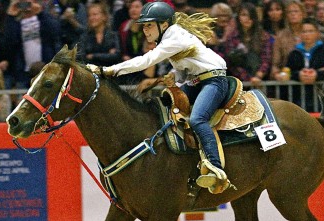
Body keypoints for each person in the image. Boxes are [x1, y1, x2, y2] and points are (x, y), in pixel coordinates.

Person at [87, 2, 233, 193]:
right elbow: (187, 64)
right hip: (196, 81)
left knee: (198, 119)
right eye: (144, 25)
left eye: (149, 25)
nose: (145, 29)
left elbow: (146, 61)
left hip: (214, 81)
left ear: (163, 25)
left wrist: (107, 71)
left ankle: (216, 169)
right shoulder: (170, 37)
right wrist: (175, 76)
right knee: (167, 108)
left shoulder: (174, 37)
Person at [4, 0, 61, 89]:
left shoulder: (44, 18)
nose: (26, 5)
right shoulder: (15, 23)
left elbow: (55, 31)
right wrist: (11, 16)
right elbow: (10, 42)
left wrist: (41, 13)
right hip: (23, 72)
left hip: (46, 69)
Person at [286, 18, 324, 111]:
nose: (307, 34)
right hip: (298, 100)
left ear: (317, 33)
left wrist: (317, 75)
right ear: (300, 34)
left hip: (322, 100)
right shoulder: (294, 53)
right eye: (304, 31)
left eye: (310, 31)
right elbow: (289, 72)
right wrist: (299, 75)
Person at [223, 2, 272, 84]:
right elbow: (232, 64)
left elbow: (266, 59)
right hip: (239, 81)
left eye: (251, 15)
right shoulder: (232, 37)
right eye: (244, 15)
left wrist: (258, 76)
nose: (248, 18)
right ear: (238, 17)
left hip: (261, 80)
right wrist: (248, 78)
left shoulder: (264, 36)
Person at [271, 0, 305, 81]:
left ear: (303, 14)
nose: (293, 14)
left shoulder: (310, 32)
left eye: (296, 11)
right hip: (287, 79)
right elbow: (275, 64)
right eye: (290, 12)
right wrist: (276, 75)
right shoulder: (280, 36)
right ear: (286, 16)